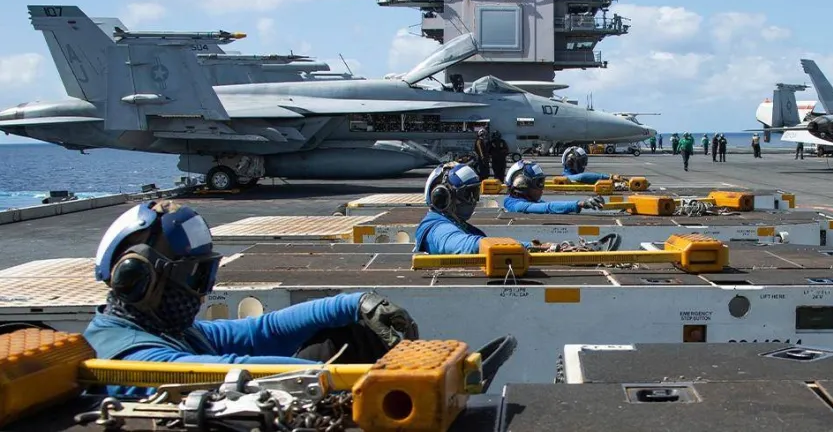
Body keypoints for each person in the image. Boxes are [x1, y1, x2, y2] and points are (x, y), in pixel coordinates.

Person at [85, 200, 418, 399]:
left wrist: (354, 304)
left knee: (349, 333)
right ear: (140, 280)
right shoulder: (128, 358)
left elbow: (263, 331)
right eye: (195, 277)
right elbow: (225, 373)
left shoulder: (170, 331)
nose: (203, 290)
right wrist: (340, 377)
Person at [415, 162, 604, 254]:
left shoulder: (449, 223)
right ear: (442, 197)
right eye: (468, 195)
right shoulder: (438, 229)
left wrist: (541, 247)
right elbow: (472, 245)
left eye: (475, 194)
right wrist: (548, 247)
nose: (472, 201)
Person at [503, 160, 604, 214]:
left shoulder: (525, 202)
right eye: (538, 183)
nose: (542, 188)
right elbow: (547, 207)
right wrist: (579, 204)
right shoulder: (516, 205)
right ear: (522, 185)